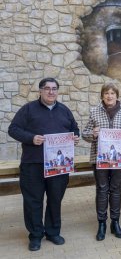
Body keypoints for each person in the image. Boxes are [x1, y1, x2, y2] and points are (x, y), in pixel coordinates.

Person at [8, 78, 80, 251]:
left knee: (55, 199)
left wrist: (75, 138)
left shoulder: (64, 110)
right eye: (47, 88)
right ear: (40, 90)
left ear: (57, 91)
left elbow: (74, 129)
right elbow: (13, 129)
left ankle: (53, 232)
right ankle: (35, 235)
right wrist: (31, 138)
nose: (51, 92)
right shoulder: (28, 109)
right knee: (33, 201)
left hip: (58, 166)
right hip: (33, 164)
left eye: (54, 88)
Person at [82, 83, 121, 241]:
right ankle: (101, 223)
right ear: (102, 96)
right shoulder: (95, 111)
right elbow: (85, 133)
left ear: (117, 96)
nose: (109, 96)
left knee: (116, 189)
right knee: (102, 189)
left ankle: (115, 222)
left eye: (112, 93)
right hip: (100, 160)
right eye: (106, 93)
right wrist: (93, 133)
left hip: (119, 160)